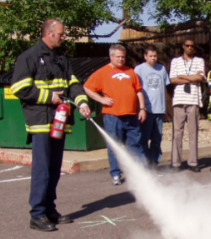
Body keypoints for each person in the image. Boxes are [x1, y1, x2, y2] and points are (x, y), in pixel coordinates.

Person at [10, 19, 91, 232]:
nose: (64, 37)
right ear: (49, 33)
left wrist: (82, 102)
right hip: (40, 122)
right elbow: (19, 87)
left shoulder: (61, 58)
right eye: (61, 34)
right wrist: (49, 97)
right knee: (42, 170)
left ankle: (49, 210)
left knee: (54, 169)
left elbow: (73, 84)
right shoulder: (28, 57)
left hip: (59, 121)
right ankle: (36, 215)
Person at [84, 44, 146, 185]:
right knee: (114, 146)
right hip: (112, 116)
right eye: (118, 57)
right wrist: (101, 99)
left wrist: (142, 109)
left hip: (131, 115)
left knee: (134, 145)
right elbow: (87, 87)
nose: (121, 59)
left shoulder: (130, 71)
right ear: (111, 56)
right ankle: (116, 174)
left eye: (123, 57)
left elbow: (138, 91)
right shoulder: (102, 72)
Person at [169, 38, 205, 172]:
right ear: (183, 46)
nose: (190, 48)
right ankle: (176, 163)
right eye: (187, 45)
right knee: (177, 133)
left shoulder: (199, 61)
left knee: (193, 133)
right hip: (179, 100)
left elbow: (200, 78)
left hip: (194, 100)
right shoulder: (175, 61)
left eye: (192, 46)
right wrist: (192, 77)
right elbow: (172, 79)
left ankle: (193, 162)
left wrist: (183, 76)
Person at [134, 45, 170, 167]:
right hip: (146, 110)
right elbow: (136, 90)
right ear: (145, 56)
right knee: (143, 138)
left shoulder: (162, 69)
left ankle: (154, 163)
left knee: (157, 139)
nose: (153, 58)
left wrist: (165, 109)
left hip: (159, 110)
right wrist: (140, 108)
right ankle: (143, 163)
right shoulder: (139, 70)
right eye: (151, 56)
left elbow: (164, 88)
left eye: (155, 56)